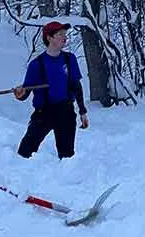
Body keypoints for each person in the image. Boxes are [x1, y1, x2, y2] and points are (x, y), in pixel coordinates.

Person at [13, 21, 89, 159]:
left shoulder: (69, 59)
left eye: (65, 34)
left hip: (66, 110)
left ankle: (65, 180)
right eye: (60, 34)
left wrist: (82, 111)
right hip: (44, 113)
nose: (64, 37)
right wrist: (20, 94)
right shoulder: (36, 65)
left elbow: (76, 86)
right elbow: (25, 92)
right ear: (49, 38)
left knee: (67, 157)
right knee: (24, 151)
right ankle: (15, 177)